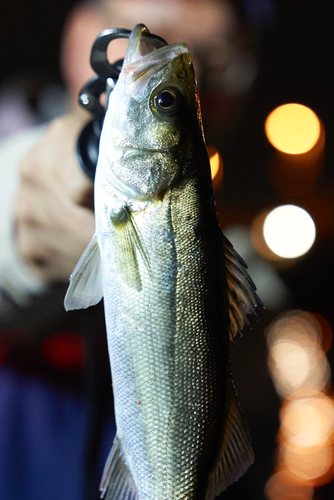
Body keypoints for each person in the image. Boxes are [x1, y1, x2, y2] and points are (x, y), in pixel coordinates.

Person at [0, 1, 251, 498]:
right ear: (82, 34)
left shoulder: (239, 214)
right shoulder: (20, 140)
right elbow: (22, 191)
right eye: (165, 30)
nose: (191, 64)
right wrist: (26, 216)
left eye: (216, 54)